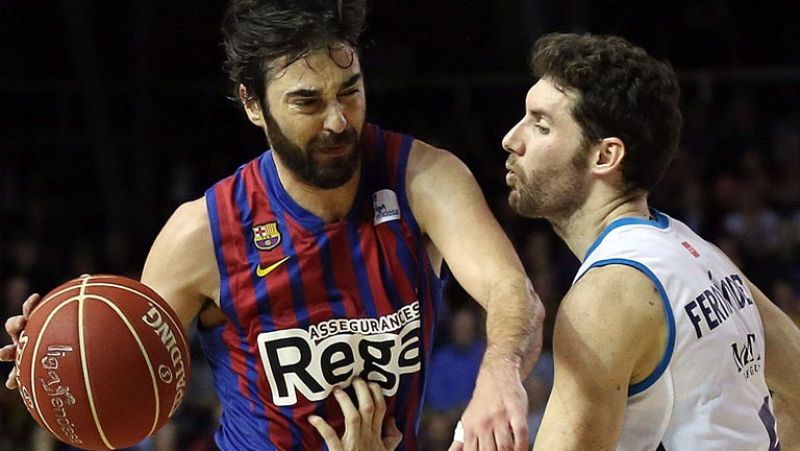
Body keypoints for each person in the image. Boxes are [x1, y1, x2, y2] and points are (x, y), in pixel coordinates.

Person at [1, 1, 545, 450]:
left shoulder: (423, 178)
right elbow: (128, 376)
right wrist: (57, 364)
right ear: (253, 104)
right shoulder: (202, 235)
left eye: (349, 90)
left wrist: (499, 373)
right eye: (307, 101)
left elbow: (512, 294)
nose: (337, 120)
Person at [501, 32, 800, 449]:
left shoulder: (606, 297)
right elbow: (796, 383)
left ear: (605, 156)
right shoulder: (696, 251)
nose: (512, 139)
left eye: (541, 125)